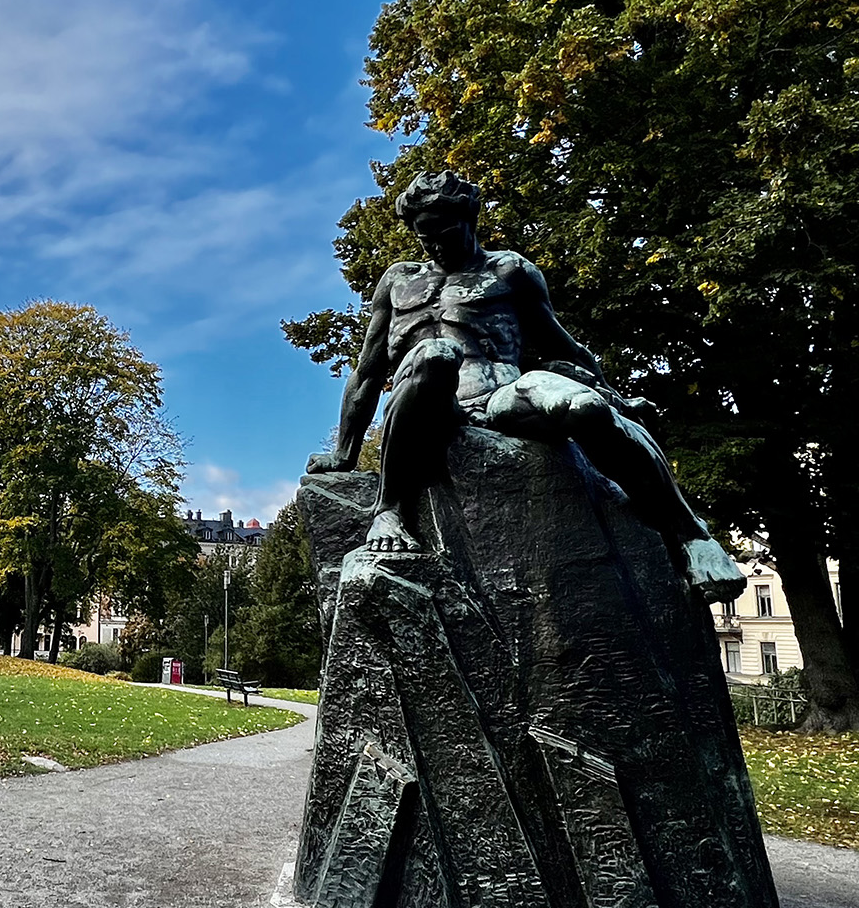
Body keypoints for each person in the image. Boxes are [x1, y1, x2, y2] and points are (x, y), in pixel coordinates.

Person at [307, 170, 742, 600]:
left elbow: (562, 344)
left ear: (470, 219)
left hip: (498, 396)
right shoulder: (399, 280)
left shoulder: (509, 271)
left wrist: (615, 398)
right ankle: (390, 511)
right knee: (435, 355)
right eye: (425, 236)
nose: (435, 244)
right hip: (427, 405)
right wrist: (344, 453)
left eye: (445, 231)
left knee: (584, 407)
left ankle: (691, 536)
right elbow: (367, 370)